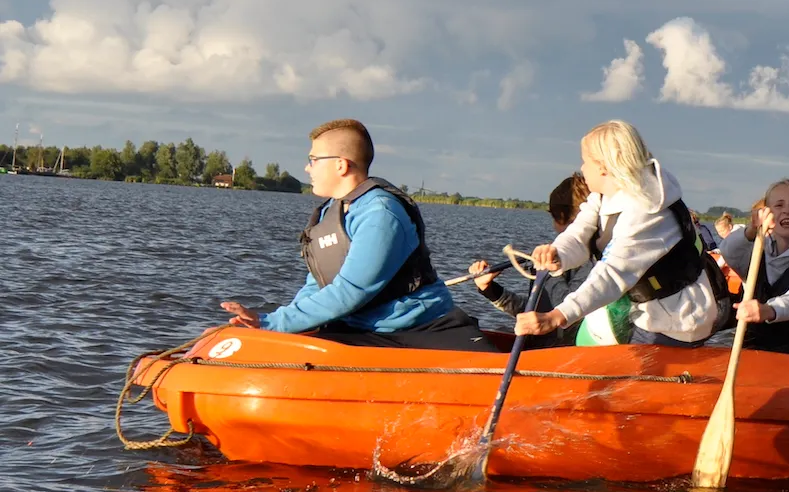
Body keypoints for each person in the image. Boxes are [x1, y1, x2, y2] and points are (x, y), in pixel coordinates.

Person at [221, 118, 495, 352]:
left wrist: (272, 322)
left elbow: (351, 291)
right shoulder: (332, 212)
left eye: (313, 160)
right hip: (360, 329)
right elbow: (318, 286)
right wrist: (277, 326)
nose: (307, 168)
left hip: (420, 331)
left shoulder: (381, 214)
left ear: (341, 165)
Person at [511, 121, 726, 348]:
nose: (582, 169)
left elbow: (612, 274)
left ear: (603, 167)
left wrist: (557, 316)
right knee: (587, 338)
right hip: (644, 308)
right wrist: (558, 254)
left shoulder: (647, 211)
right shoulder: (603, 197)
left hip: (679, 318)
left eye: (585, 161)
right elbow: (578, 234)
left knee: (607, 361)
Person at [467, 173, 594, 346]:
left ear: (561, 216)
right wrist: (490, 289)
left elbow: (564, 309)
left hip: (565, 356)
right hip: (542, 349)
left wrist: (548, 270)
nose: (553, 226)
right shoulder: (564, 259)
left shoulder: (593, 261)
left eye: (554, 218)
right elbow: (537, 313)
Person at [720, 179, 789, 360]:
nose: (787, 210)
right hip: (753, 352)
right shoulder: (758, 252)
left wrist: (768, 310)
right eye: (778, 205)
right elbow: (729, 252)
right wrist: (751, 230)